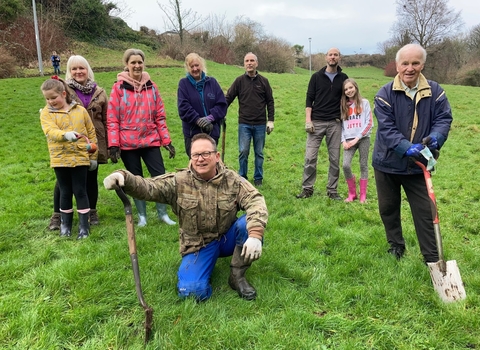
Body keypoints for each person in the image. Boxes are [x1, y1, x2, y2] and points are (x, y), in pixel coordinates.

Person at [103, 133, 268, 301]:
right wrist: (124, 177)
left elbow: (255, 200)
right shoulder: (178, 182)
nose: (200, 159)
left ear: (216, 156)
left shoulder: (232, 180)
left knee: (248, 223)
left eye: (206, 154)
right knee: (192, 292)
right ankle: (201, 269)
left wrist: (255, 234)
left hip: (227, 237)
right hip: (198, 244)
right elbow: (149, 187)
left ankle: (237, 276)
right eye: (196, 154)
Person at [373, 43, 453, 263]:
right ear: (397, 65)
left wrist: (437, 136)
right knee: (388, 209)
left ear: (422, 65)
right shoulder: (384, 94)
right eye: (405, 63)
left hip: (419, 165)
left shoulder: (436, 92)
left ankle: (432, 258)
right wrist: (405, 147)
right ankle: (396, 246)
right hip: (387, 163)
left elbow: (443, 119)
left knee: (425, 213)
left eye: (415, 63)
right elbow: (386, 129)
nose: (410, 68)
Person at [107, 48, 176, 227]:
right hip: (128, 143)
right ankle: (142, 217)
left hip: (150, 140)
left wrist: (166, 141)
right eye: (133, 63)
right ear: (127, 65)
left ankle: (163, 214)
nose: (137, 66)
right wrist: (113, 144)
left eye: (139, 62)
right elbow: (112, 118)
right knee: (135, 180)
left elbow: (160, 116)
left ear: (143, 64)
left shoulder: (152, 87)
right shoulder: (118, 88)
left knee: (160, 177)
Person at [48, 55, 109, 230]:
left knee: (91, 178)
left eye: (81, 68)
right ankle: (57, 215)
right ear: (69, 71)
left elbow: (106, 119)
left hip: (93, 141)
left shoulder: (100, 92)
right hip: (68, 144)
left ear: (88, 69)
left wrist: (109, 145)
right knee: (63, 182)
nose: (78, 72)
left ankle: (91, 211)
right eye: (74, 69)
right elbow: (52, 111)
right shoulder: (63, 90)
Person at [40, 77, 98, 239]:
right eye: (47, 98)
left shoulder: (80, 110)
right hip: (60, 159)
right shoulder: (46, 113)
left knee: (80, 191)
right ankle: (65, 226)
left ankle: (83, 227)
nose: (50, 101)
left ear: (63, 94)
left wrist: (93, 155)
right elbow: (50, 131)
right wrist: (65, 135)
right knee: (65, 191)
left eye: (53, 97)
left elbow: (91, 133)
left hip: (80, 157)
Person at [296, 48, 348, 200]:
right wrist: (308, 120)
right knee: (310, 157)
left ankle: (332, 190)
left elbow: (349, 98)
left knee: (334, 159)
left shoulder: (343, 78)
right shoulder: (316, 77)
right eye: (330, 55)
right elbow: (309, 99)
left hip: (335, 123)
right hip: (316, 122)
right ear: (326, 57)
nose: (333, 57)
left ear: (339, 58)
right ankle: (307, 189)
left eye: (336, 55)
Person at [225, 52, 275, 187]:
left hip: (260, 124)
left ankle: (258, 178)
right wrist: (220, 112)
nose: (249, 63)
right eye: (247, 61)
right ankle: (242, 177)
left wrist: (271, 120)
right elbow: (228, 98)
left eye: (252, 60)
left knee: (259, 153)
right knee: (243, 151)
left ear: (256, 63)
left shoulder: (264, 81)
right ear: (244, 64)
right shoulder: (239, 81)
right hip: (244, 124)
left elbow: (270, 101)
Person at [177, 53, 227, 158]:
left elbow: (222, 104)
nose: (195, 69)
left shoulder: (212, 83)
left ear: (202, 65)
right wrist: (198, 120)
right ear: (187, 68)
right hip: (192, 133)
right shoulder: (183, 84)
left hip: (211, 131)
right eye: (192, 66)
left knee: (210, 162)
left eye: (197, 65)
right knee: (196, 163)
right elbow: (183, 107)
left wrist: (210, 118)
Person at [340, 78, 374, 203]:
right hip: (348, 140)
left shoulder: (364, 103)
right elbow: (341, 125)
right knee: (345, 165)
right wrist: (343, 140)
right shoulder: (343, 106)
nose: (349, 91)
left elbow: (369, 123)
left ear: (355, 87)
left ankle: (363, 195)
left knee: (363, 164)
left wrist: (357, 138)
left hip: (363, 139)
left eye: (351, 87)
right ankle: (352, 193)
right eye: (346, 89)